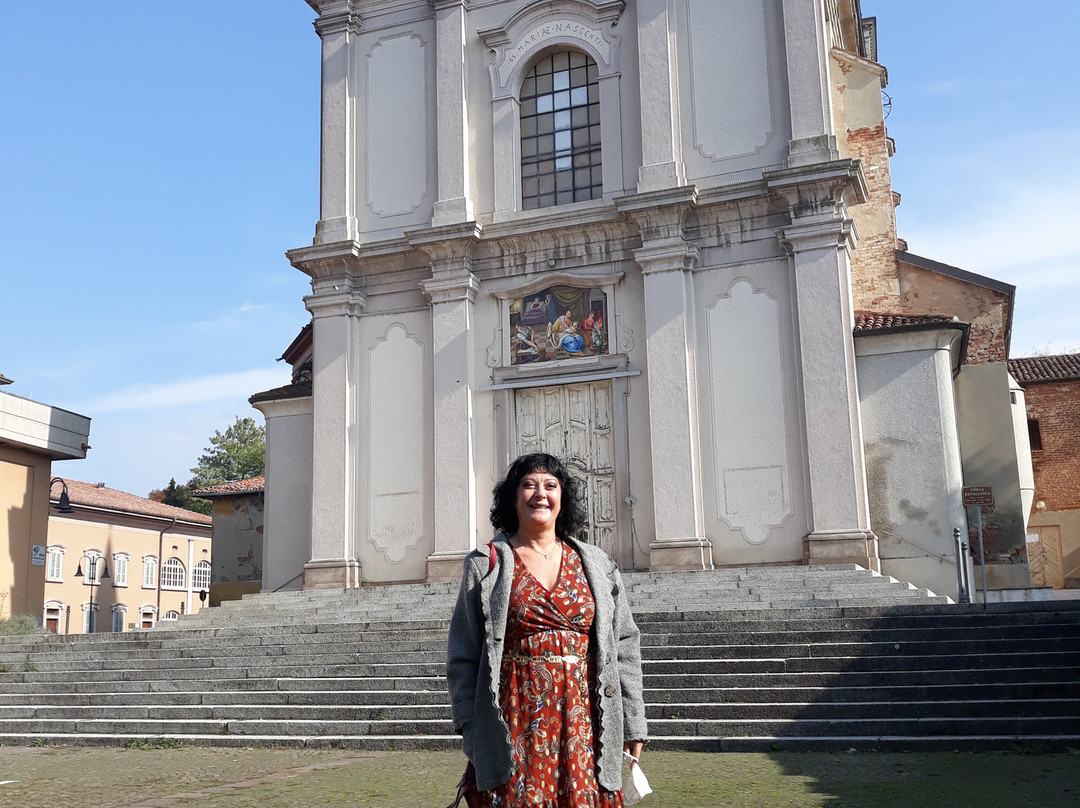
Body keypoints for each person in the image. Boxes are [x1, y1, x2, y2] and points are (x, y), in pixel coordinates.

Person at [447, 453, 647, 807]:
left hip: (587, 726)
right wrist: (470, 727)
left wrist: (632, 723)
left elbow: (624, 644)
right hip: (515, 726)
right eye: (529, 485)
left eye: (550, 486)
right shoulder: (485, 564)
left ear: (562, 499)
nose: (540, 493)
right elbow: (463, 654)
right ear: (513, 497)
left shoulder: (597, 564)